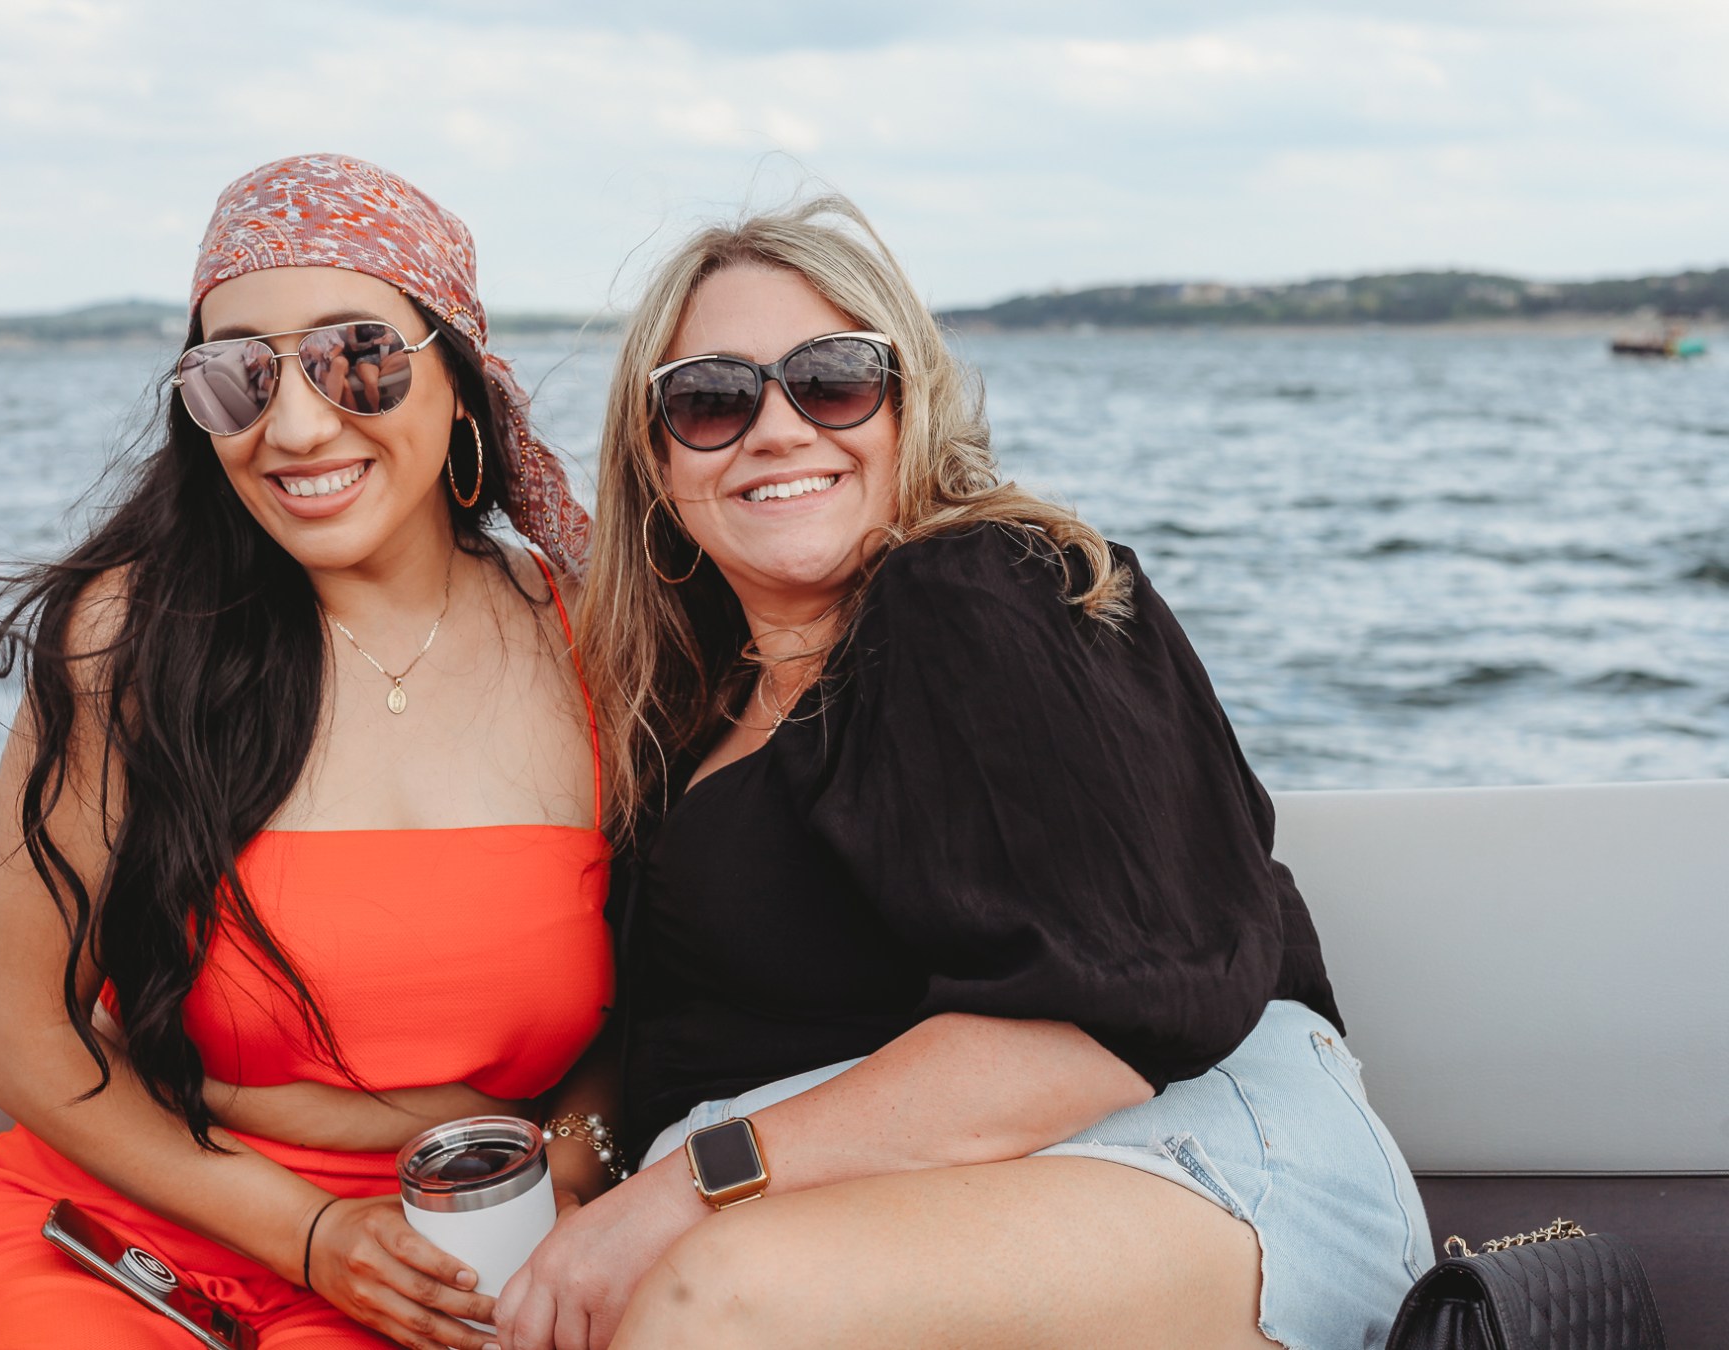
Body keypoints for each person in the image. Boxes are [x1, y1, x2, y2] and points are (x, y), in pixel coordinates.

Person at [495, 196, 1433, 1350]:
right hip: (864, 1205)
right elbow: (654, 1017)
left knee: (718, 1298)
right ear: (657, 455)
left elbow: (1104, 1027)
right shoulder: (689, 709)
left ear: (909, 405)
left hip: (1185, 1157)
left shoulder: (980, 590)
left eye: (833, 380)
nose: (778, 430)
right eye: (712, 399)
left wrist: (686, 1185)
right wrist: (584, 1172)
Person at [0, 154, 614, 1350]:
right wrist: (308, 1235)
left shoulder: (593, 641)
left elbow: (667, 1004)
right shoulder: (129, 642)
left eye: (358, 357)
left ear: (460, 379)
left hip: (449, 1267)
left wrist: (561, 1177)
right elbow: (20, 1035)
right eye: (238, 376)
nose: (295, 426)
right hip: (126, 1236)